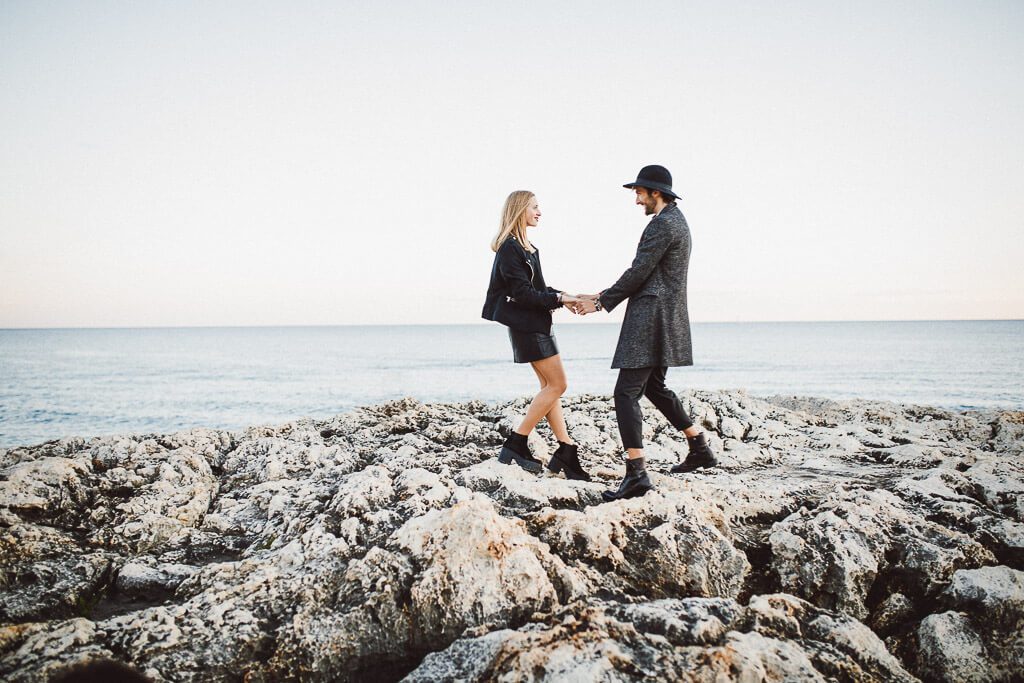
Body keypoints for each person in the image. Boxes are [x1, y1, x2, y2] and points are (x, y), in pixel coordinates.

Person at [575, 165, 717, 501]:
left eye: (639, 193)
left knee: (625, 393)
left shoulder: (664, 225)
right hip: (665, 317)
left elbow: (639, 271)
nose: (636, 200)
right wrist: (601, 297)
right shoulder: (676, 221)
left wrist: (601, 301)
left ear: (656, 193)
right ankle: (699, 447)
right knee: (654, 386)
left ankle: (637, 474)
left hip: (651, 318)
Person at [482, 190, 592, 480]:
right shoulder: (510, 249)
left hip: (536, 325)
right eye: (535, 207)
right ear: (520, 211)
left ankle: (566, 449)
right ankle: (517, 442)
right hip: (527, 327)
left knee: (549, 386)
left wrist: (564, 296)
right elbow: (522, 294)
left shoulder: (528, 248)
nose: (539, 211)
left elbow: (538, 289)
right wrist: (559, 299)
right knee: (558, 385)